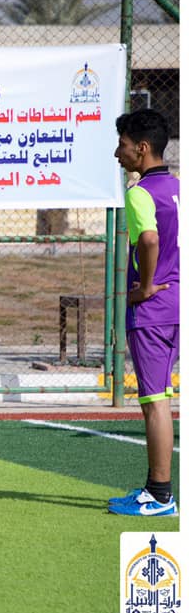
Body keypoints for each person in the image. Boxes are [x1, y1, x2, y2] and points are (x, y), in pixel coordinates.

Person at [108, 109, 179, 517]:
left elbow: (149, 240)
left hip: (154, 309)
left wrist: (147, 286)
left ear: (142, 148)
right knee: (162, 396)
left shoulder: (140, 193)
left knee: (155, 402)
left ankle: (161, 495)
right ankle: (156, 490)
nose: (118, 153)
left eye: (122, 145)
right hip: (177, 303)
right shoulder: (178, 188)